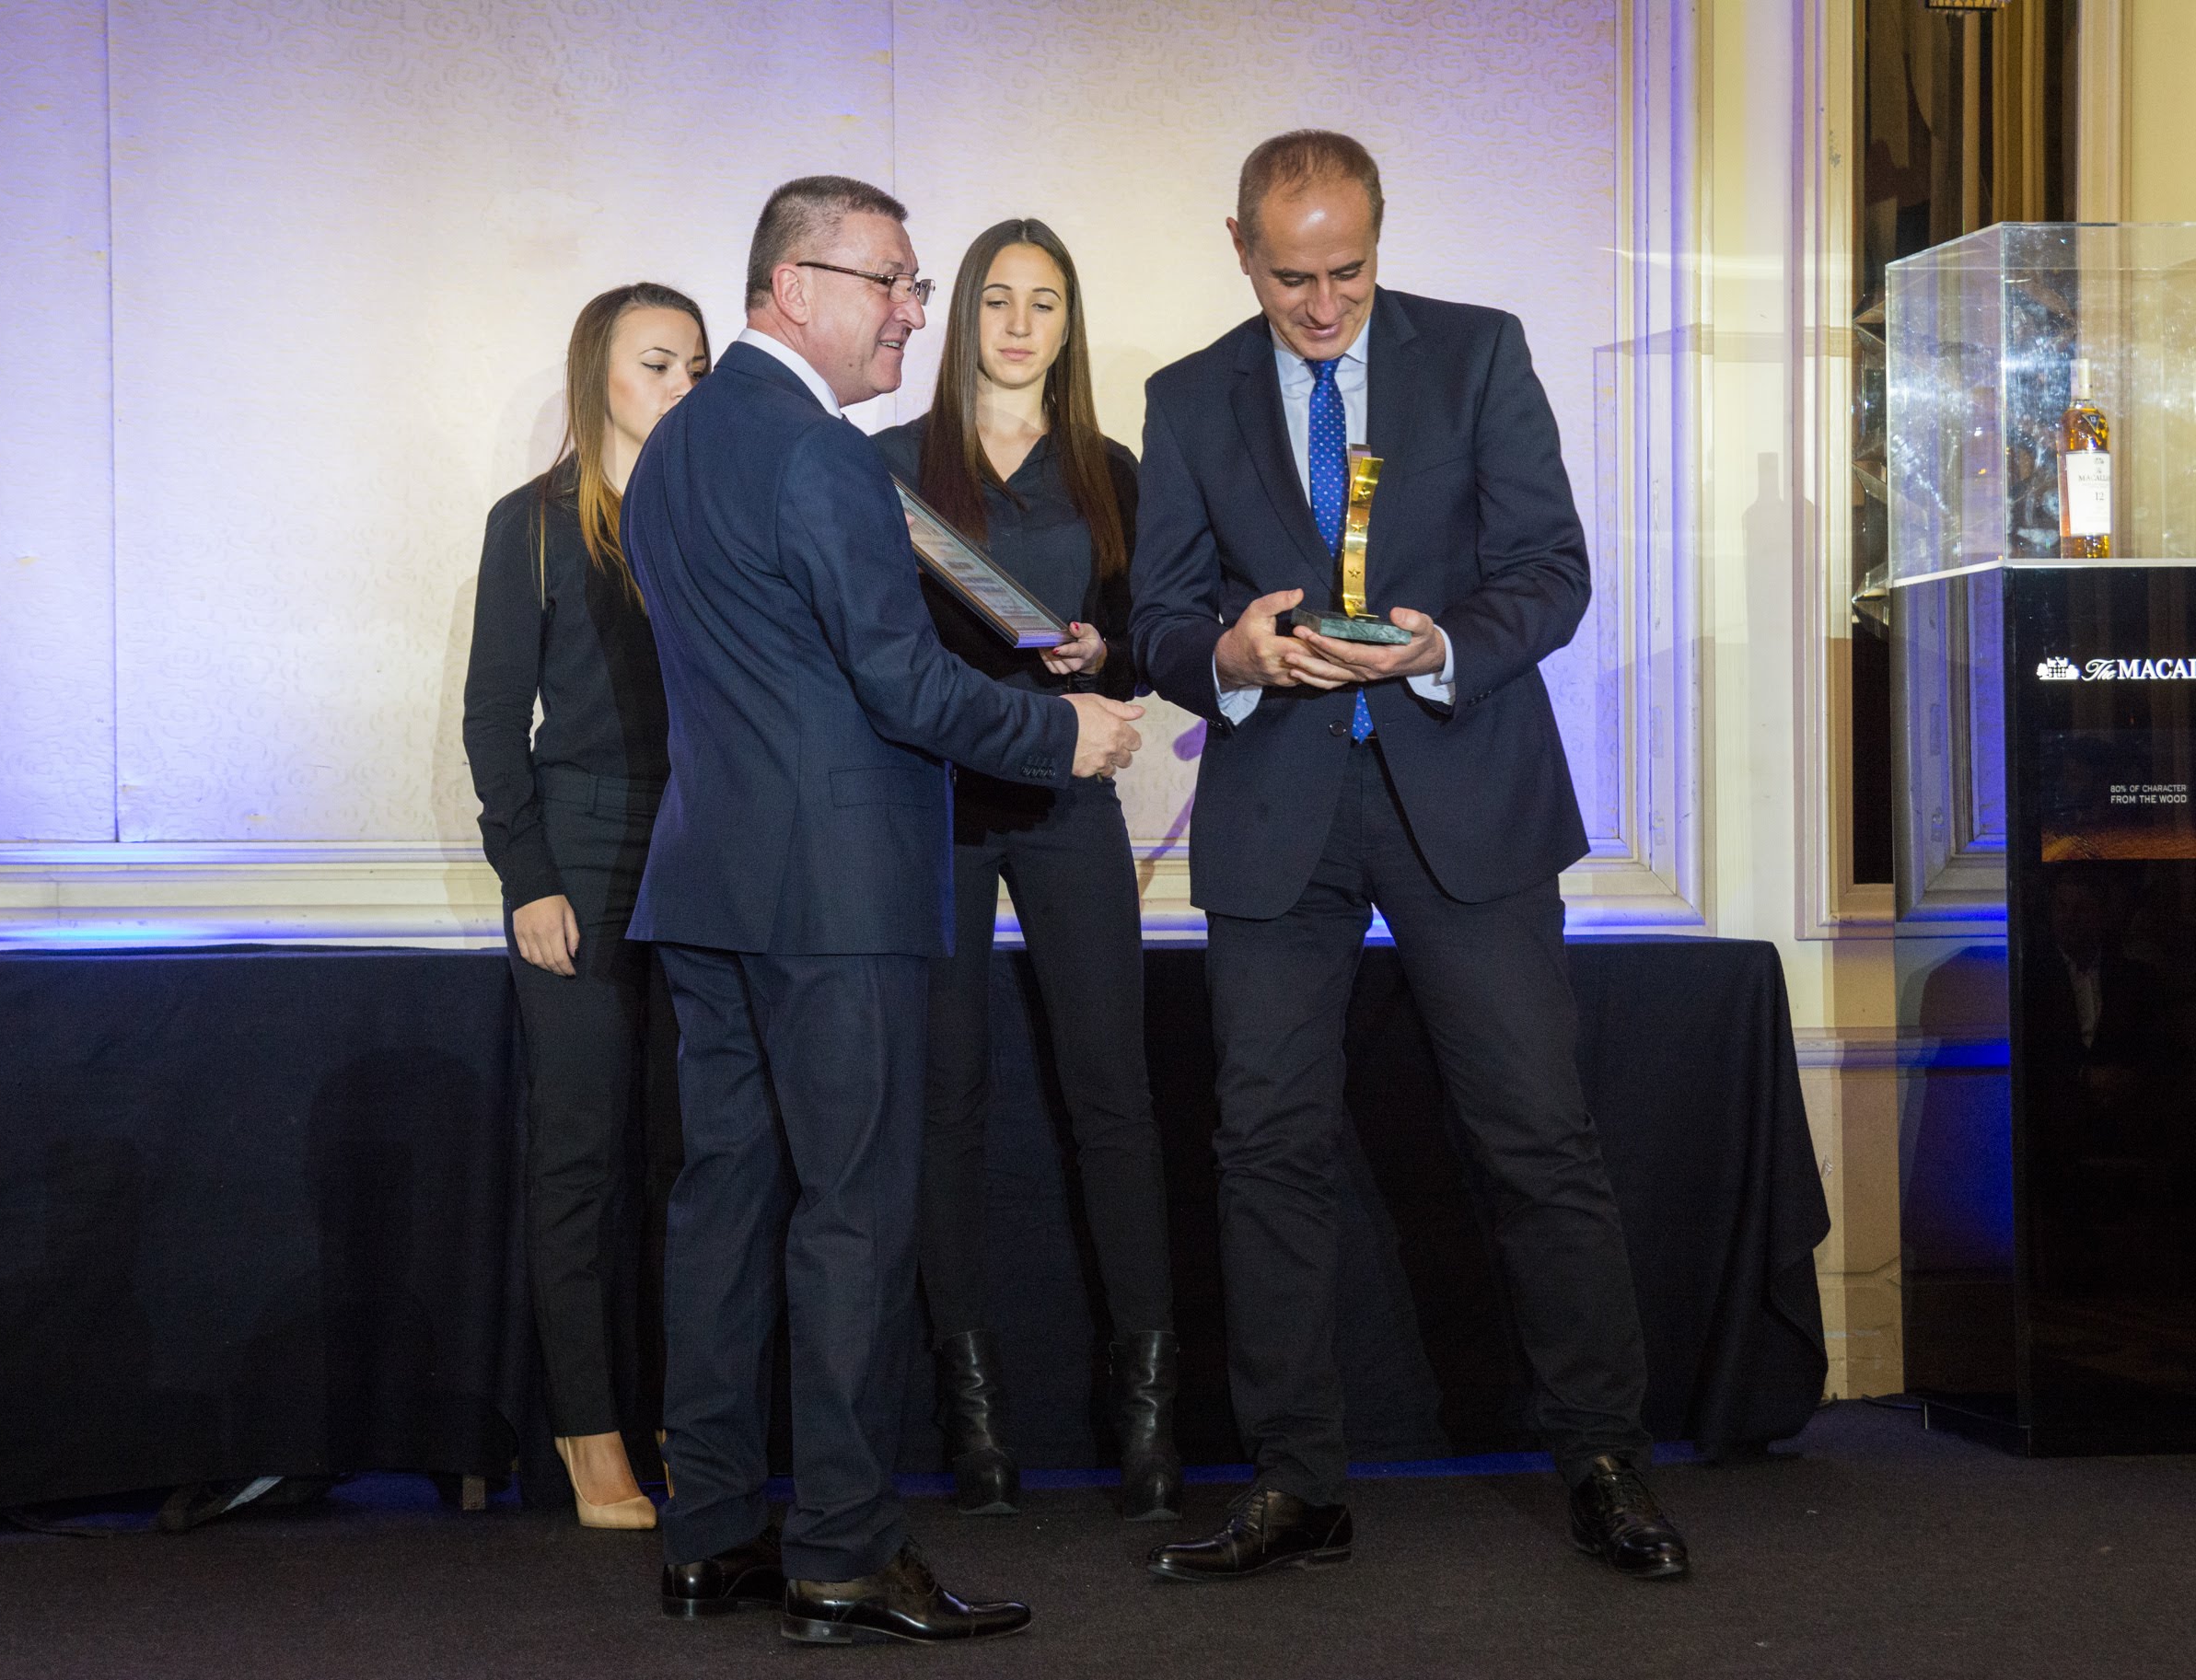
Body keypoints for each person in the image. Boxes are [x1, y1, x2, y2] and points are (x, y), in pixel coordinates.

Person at [1125, 131, 1691, 1582]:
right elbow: (1159, 619)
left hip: (1467, 792)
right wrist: (1231, 654)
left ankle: (1603, 1459)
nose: (1324, 306)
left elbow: (1551, 570)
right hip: (1278, 815)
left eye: (1350, 271)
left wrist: (1443, 645)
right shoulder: (1184, 397)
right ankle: (1294, 1484)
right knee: (1264, 1150)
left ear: (1379, 239)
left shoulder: (1479, 353)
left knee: (1535, 1136)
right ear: (1239, 250)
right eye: (1292, 277)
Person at [625, 176, 1144, 1644]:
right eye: (893, 282)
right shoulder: (823, 457)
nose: (917, 310)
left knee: (723, 1209)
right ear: (794, 287)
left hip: (709, 884)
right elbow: (900, 686)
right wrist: (1065, 734)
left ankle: (710, 1534)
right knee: (852, 1218)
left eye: (917, 285)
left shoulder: (673, 448)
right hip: (834, 898)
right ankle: (844, 1554)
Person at [873, 219, 1181, 1524]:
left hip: (1066, 802)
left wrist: (1105, 654)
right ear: (961, 315)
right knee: (944, 1104)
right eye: (996, 299)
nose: (1016, 323)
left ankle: (1148, 1413)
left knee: (1114, 1097)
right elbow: (874, 650)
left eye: (1042, 301)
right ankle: (974, 1417)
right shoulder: (890, 465)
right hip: (933, 808)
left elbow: (1153, 643)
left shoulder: (1112, 471)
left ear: (1069, 322)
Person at [461, 282, 707, 1530]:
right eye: (656, 363)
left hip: (704, 849)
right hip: (581, 847)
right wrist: (531, 878)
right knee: (578, 1159)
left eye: (695, 368)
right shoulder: (536, 524)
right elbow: (492, 718)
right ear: (596, 376)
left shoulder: (713, 518)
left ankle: (684, 1416)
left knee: (689, 1159)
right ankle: (588, 1431)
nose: (679, 387)